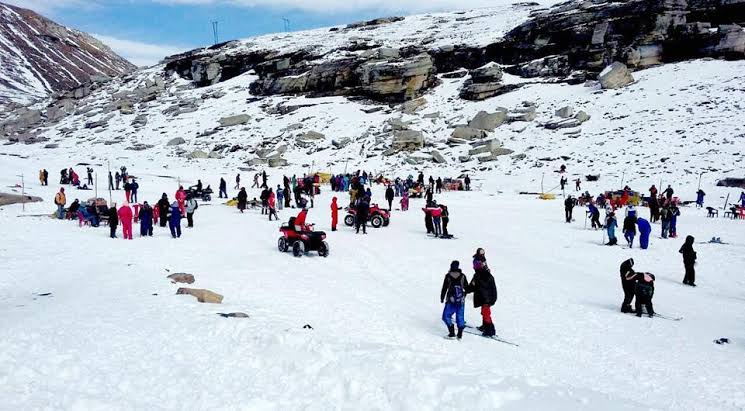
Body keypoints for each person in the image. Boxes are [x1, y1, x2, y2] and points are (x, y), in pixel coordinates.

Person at [440, 261, 469, 340]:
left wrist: (442, 297)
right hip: (461, 300)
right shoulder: (463, 276)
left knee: (446, 316)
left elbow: (444, 288)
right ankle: (459, 335)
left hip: (451, 300)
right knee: (460, 317)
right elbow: (467, 288)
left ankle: (452, 333)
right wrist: (464, 294)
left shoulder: (448, 276)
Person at [470, 259, 497, 337]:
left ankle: (490, 331)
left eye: (475, 266)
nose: (474, 267)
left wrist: (491, 300)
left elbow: (492, 289)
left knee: (486, 314)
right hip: (485, 299)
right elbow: (473, 286)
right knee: (484, 313)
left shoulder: (485, 275)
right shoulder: (478, 275)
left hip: (487, 300)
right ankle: (485, 327)